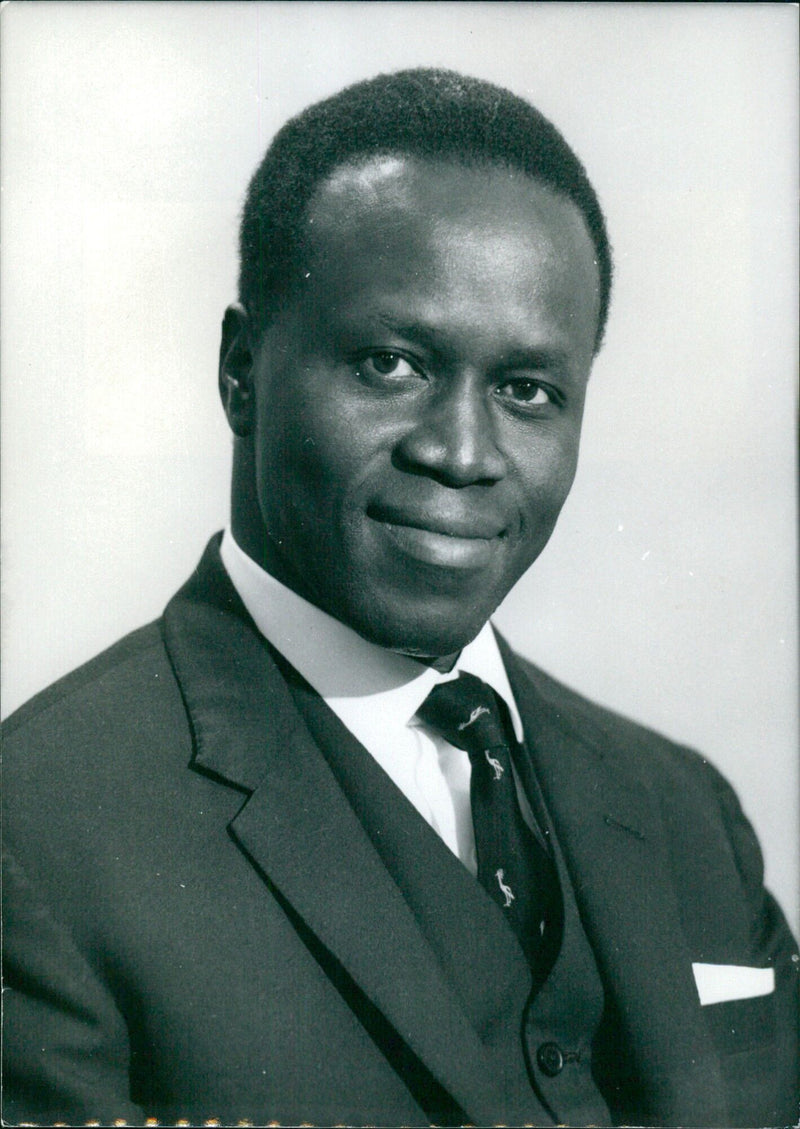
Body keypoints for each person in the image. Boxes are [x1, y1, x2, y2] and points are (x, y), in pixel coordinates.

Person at [3, 68, 798, 1129]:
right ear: (241, 371)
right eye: (389, 363)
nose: (461, 453)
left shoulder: (683, 808)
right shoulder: (37, 826)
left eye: (527, 391)